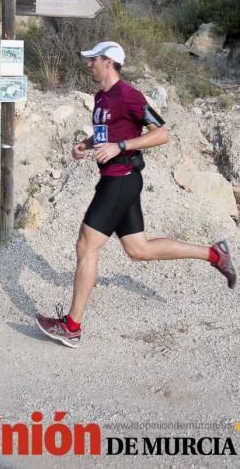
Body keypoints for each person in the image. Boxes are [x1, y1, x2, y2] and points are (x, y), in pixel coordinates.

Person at [35, 41, 237, 348]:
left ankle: (72, 326)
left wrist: (122, 146)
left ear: (109, 62)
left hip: (121, 180)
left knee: (86, 245)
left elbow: (162, 133)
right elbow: (107, 133)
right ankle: (214, 253)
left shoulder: (129, 95)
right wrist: (87, 145)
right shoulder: (101, 96)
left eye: (94, 59)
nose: (89, 64)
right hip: (114, 180)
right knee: (138, 249)